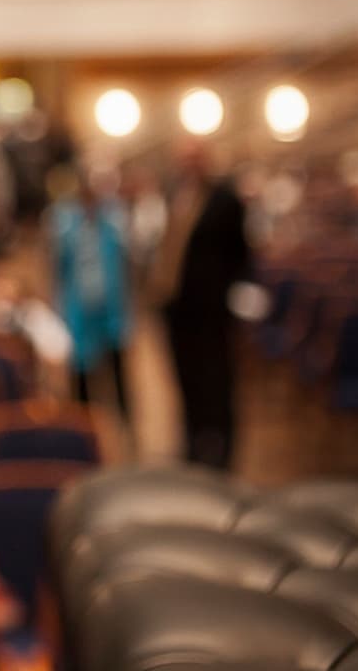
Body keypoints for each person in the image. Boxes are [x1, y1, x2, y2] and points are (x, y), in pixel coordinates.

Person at [151, 143, 250, 469]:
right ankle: (192, 440)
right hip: (178, 306)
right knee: (186, 377)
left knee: (217, 380)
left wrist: (227, 295)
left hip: (211, 309)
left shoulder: (226, 199)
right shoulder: (174, 195)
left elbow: (242, 256)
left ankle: (222, 447)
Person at [49, 168, 131, 419]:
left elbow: (126, 263)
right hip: (79, 305)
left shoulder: (113, 221)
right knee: (81, 368)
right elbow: (58, 266)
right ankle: (82, 419)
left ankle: (124, 418)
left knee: (117, 368)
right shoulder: (64, 223)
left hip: (110, 304)